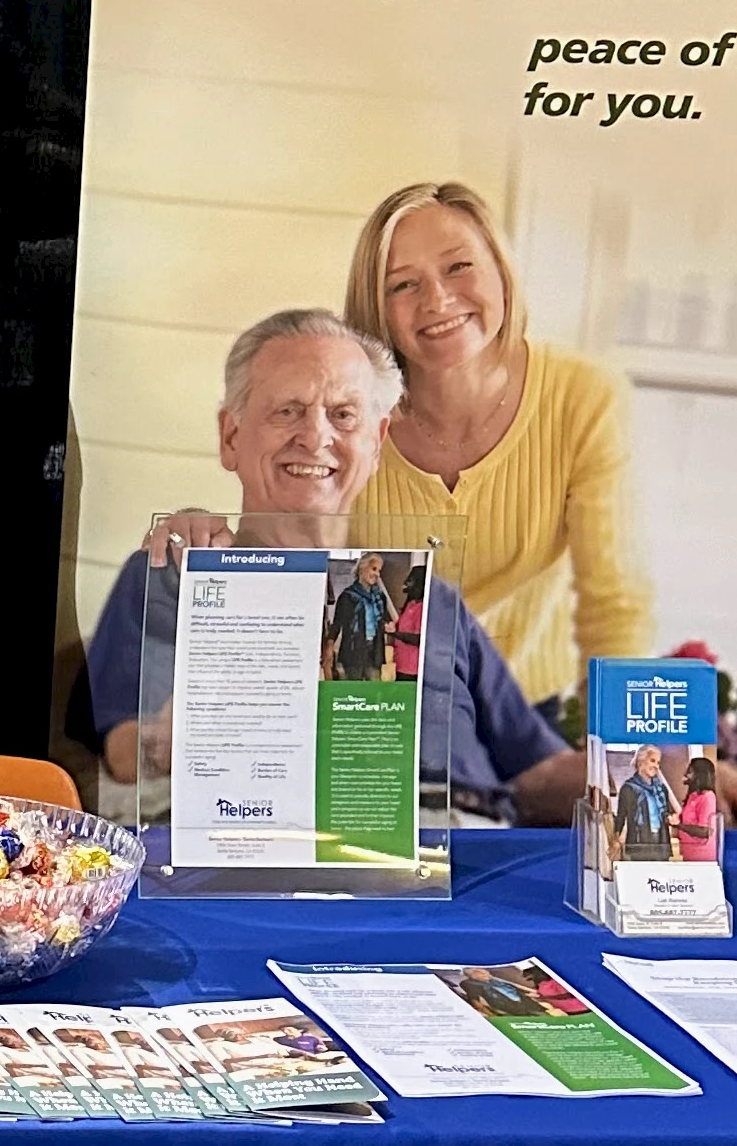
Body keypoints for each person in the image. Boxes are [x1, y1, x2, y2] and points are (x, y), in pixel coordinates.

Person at [82, 308, 582, 826]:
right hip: (287, 841)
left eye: (343, 415)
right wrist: (177, 740)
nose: (315, 435)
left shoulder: (431, 599)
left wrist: (638, 772)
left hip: (475, 855)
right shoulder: (176, 574)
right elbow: (124, 755)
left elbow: (537, 771)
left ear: (376, 443)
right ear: (231, 437)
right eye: (288, 411)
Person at [343, 180, 653, 706]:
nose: (437, 300)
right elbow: (290, 557)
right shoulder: (346, 411)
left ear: (501, 271)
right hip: (376, 724)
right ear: (376, 308)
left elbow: (615, 603)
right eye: (402, 285)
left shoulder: (583, 396)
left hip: (526, 726)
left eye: (459, 267)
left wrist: (626, 756)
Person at [326, 553, 394, 683]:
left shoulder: (380, 597)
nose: (377, 574)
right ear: (362, 568)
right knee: (352, 692)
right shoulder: (347, 596)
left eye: (379, 571)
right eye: (374, 569)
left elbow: (385, 619)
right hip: (353, 652)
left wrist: (388, 625)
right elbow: (336, 625)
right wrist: (329, 647)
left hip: (374, 652)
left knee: (374, 692)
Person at [613, 742, 677, 861]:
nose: (656, 766)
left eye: (658, 763)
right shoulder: (628, 788)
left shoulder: (662, 789)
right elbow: (621, 817)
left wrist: (670, 818)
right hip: (638, 843)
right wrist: (616, 839)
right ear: (641, 761)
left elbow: (665, 813)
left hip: (661, 842)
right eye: (652, 761)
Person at [676, 752, 723, 865]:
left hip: (702, 858)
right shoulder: (693, 796)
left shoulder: (708, 797)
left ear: (699, 775)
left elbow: (705, 831)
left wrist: (678, 825)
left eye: (690, 772)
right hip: (689, 855)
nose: (686, 775)